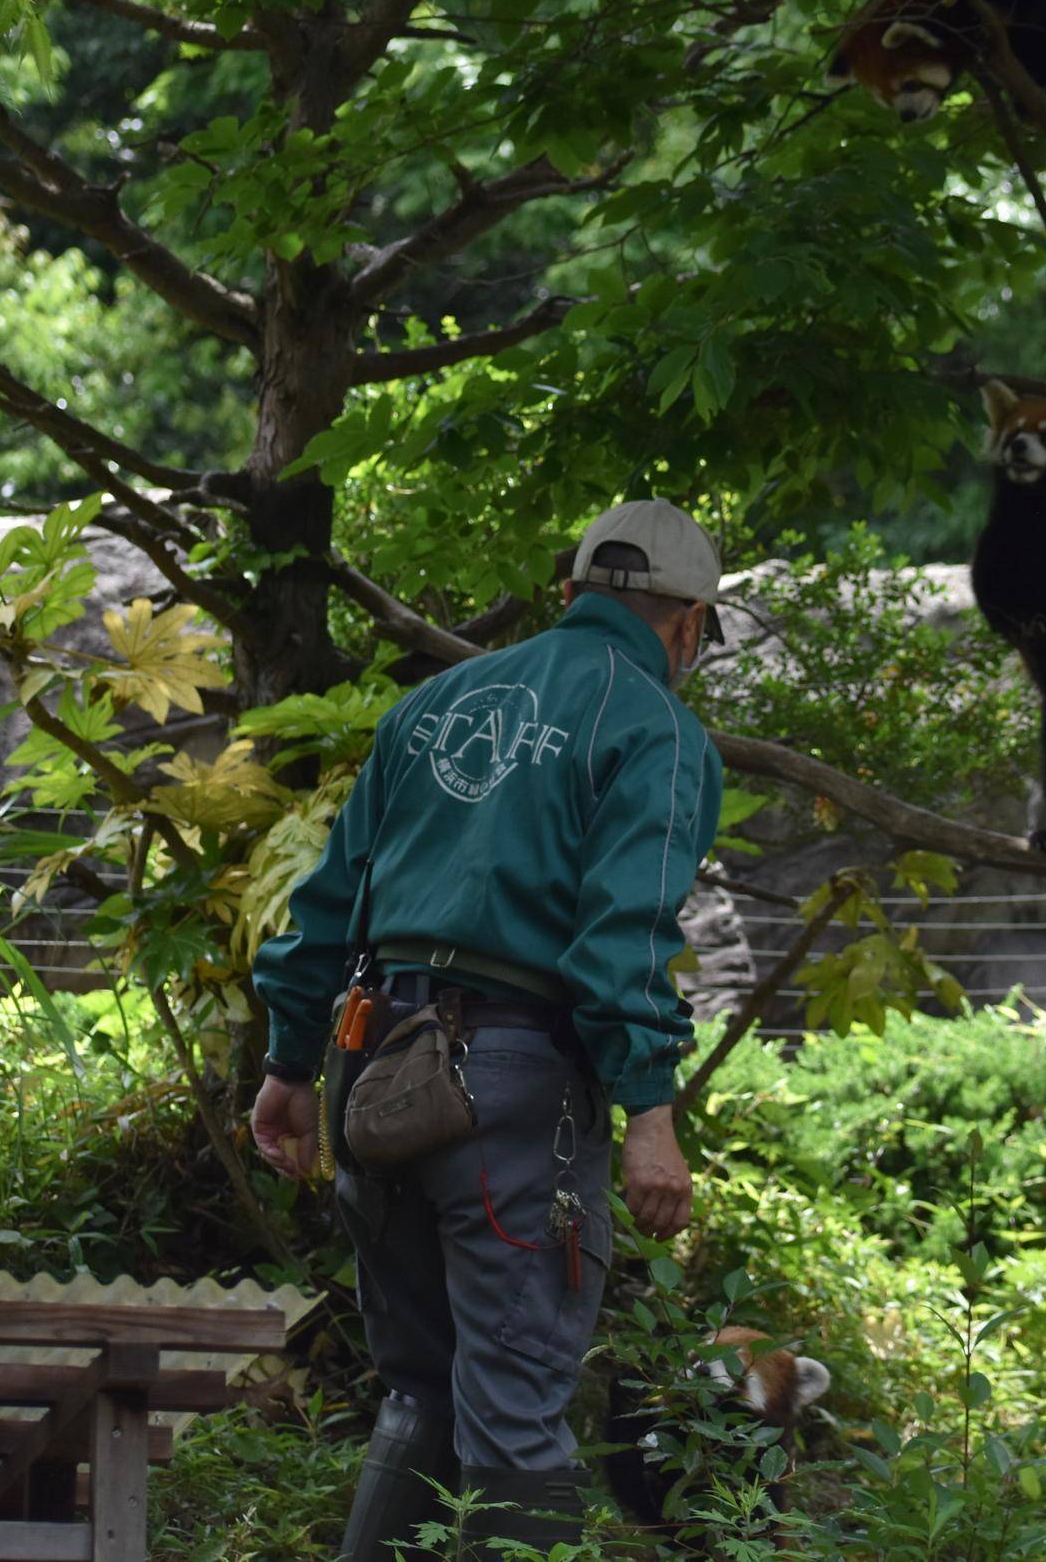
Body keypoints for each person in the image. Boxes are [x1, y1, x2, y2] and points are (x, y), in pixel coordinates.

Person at [248, 499, 727, 1560]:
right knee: (512, 1405)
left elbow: (323, 908)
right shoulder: (657, 731)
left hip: (370, 1072)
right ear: (687, 623)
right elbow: (623, 941)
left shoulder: (434, 703)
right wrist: (649, 1114)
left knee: (420, 1390)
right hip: (509, 1097)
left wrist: (287, 1065)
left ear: (569, 594)